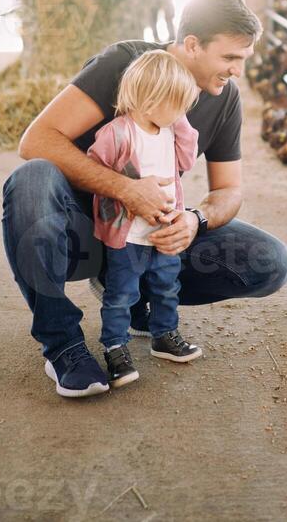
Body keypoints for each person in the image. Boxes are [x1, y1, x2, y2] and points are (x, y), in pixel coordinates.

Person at [2, 0, 287, 398]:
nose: (238, 72)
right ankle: (62, 344)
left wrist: (195, 220)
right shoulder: (125, 63)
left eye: (242, 60)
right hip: (82, 231)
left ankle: (138, 300)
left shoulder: (223, 98)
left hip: (150, 235)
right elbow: (37, 140)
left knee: (271, 263)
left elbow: (228, 190)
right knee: (30, 180)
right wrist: (124, 188)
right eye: (230, 58)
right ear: (192, 44)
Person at [89, 50, 202, 392]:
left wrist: (180, 121)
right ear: (151, 101)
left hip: (165, 232)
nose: (183, 112)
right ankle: (115, 347)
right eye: (178, 104)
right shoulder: (119, 133)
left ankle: (164, 335)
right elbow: (95, 171)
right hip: (130, 237)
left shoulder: (169, 132)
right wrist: (124, 193)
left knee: (167, 287)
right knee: (122, 293)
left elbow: (188, 160)